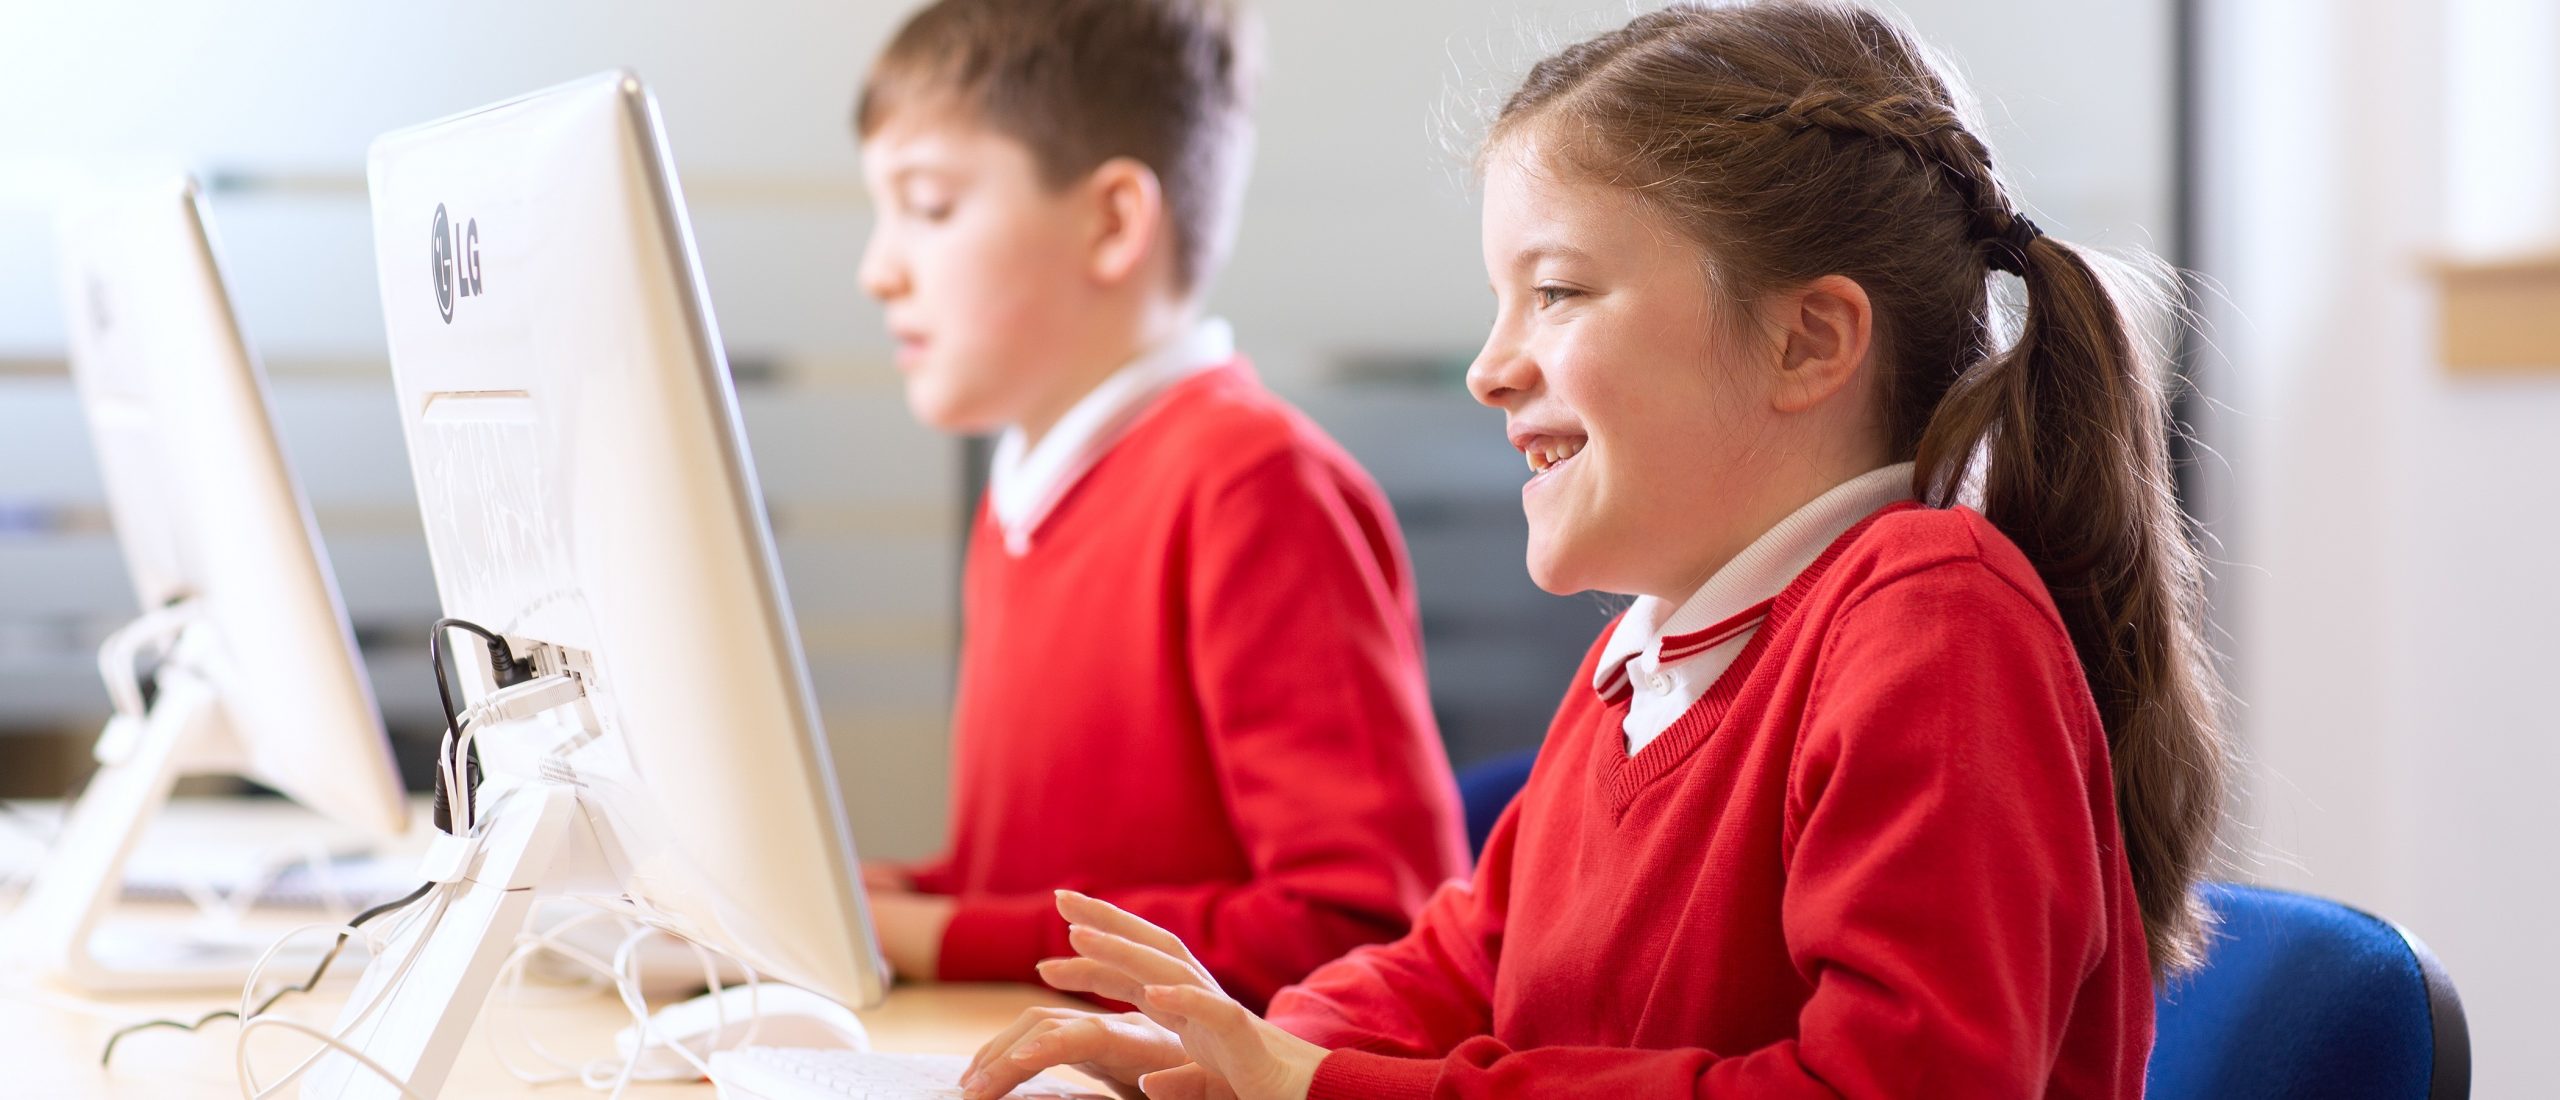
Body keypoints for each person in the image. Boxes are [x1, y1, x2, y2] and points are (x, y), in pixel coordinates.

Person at [959, 2, 2228, 1096]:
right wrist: (1215, 1053)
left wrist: (1316, 1080)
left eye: (1556, 292)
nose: (1487, 366)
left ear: (1809, 342)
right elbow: (1448, 972)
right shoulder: (1646, 658)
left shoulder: (1934, 624)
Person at [850, 0, 1470, 1011]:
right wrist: (894, 895)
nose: (877, 268)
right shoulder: (1025, 492)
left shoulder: (1251, 482)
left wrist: (944, 929)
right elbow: (1045, 878)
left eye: (928, 206)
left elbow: (1363, 924)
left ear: (1111, 223)